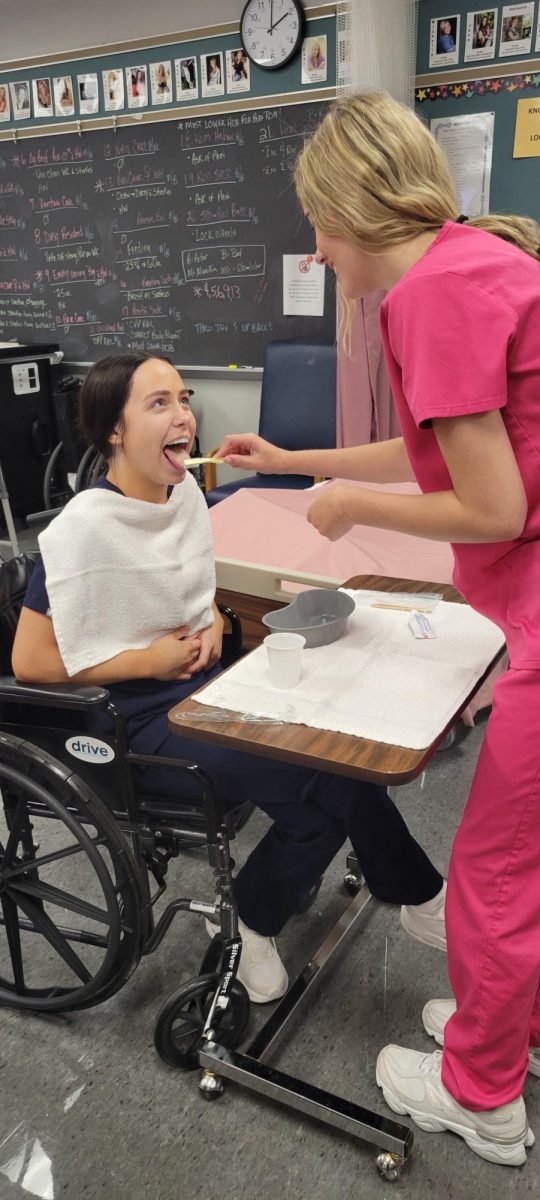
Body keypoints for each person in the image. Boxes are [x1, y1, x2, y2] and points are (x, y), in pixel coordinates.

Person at [215, 91, 540, 1167]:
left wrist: (350, 512)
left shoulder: (430, 293)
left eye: (317, 220)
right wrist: (297, 463)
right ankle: (509, 1030)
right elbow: (433, 453)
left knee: (495, 874)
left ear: (352, 206)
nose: (318, 247)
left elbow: (488, 509)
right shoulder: (472, 266)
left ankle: (481, 1095)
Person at [12, 351, 447, 1006]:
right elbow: (30, 663)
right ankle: (415, 894)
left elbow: (191, 591)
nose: (182, 413)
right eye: (157, 403)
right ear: (114, 431)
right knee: (326, 775)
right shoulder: (83, 533)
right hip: (134, 722)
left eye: (182, 398)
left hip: (204, 688)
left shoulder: (180, 495)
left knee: (326, 786)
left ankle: (258, 914)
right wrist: (145, 662)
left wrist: (212, 618)